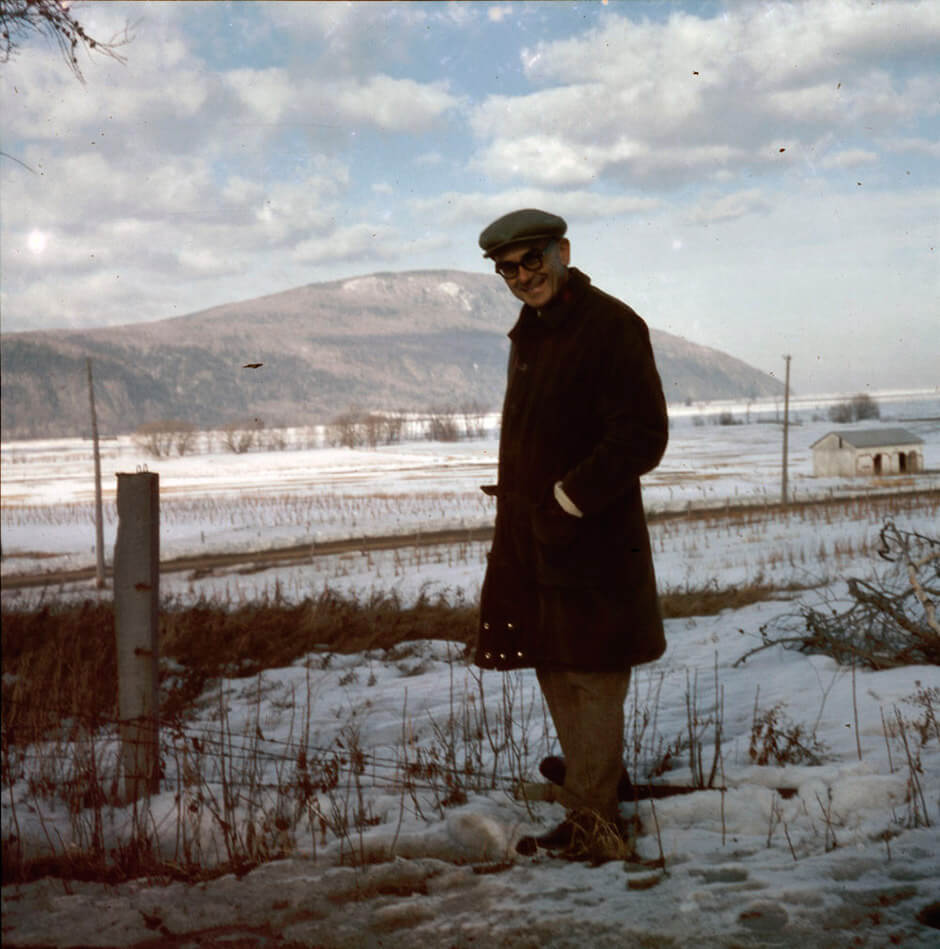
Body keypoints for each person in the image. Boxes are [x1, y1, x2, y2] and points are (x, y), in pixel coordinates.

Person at [475, 208, 669, 861]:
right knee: (554, 662)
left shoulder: (611, 325)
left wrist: (567, 497)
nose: (523, 276)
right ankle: (592, 797)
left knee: (593, 670)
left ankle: (596, 818)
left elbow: (642, 434)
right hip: (535, 535)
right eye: (509, 268)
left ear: (562, 250)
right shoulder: (531, 332)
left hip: (593, 537)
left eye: (533, 260)